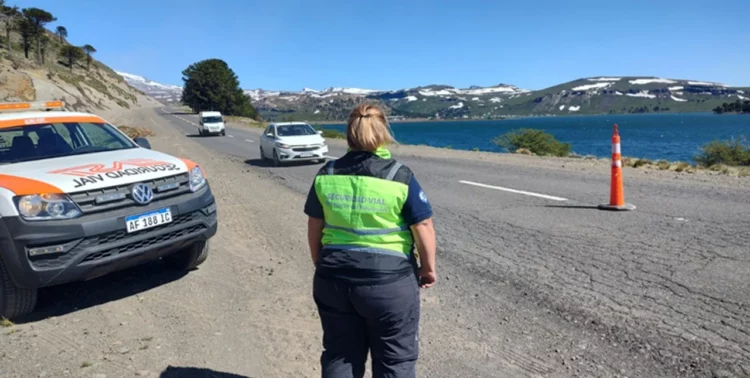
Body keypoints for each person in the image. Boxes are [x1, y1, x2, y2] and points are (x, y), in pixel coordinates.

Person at [304, 103, 437, 378]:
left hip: (333, 278)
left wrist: (321, 262)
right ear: (383, 131)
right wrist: (427, 268)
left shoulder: (327, 174)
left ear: (349, 134)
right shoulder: (399, 175)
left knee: (340, 355)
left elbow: (314, 224)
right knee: (394, 361)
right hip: (389, 283)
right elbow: (422, 224)